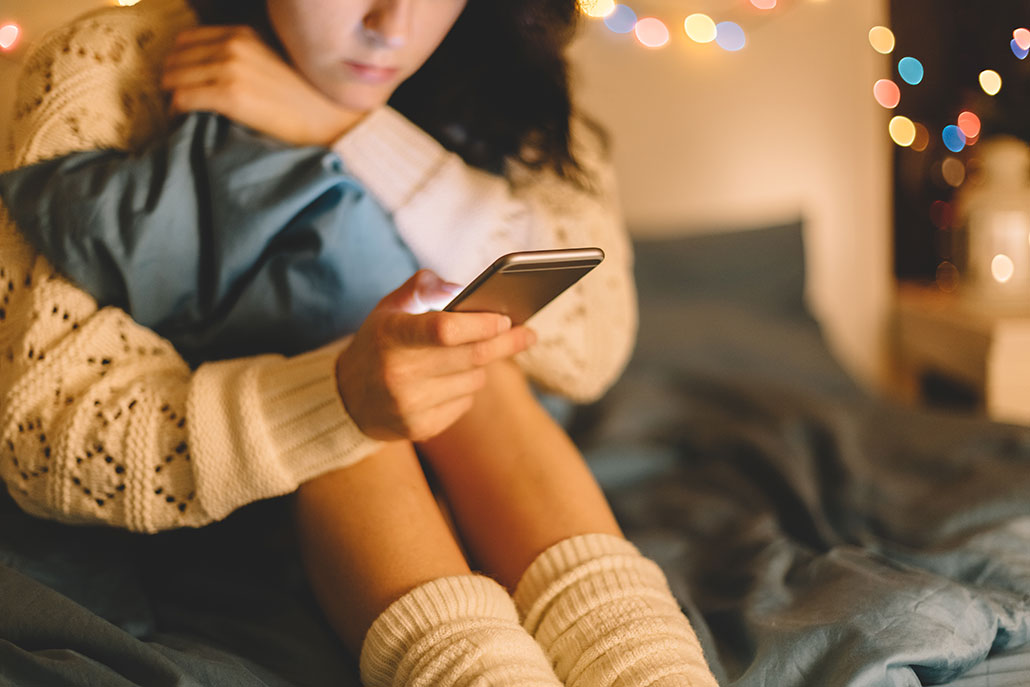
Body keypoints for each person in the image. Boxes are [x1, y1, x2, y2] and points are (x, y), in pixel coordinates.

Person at [0, 0, 719, 685]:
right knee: (370, 371)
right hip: (242, 477)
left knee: (464, 351)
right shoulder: (109, 64)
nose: (391, 28)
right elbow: (45, 432)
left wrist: (348, 128)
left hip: (485, 440)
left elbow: (591, 347)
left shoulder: (508, 58)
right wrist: (338, 395)